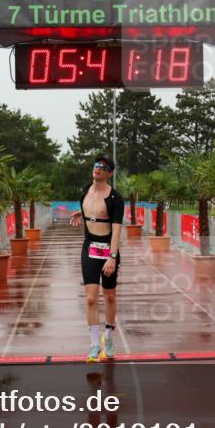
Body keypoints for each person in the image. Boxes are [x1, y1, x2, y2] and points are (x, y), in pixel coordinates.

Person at [70, 155, 125, 362]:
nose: (98, 169)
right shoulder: (85, 191)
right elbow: (91, 208)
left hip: (108, 249)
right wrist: (81, 214)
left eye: (103, 167)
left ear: (110, 173)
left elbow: (117, 230)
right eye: (96, 166)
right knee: (91, 298)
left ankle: (108, 337)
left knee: (109, 296)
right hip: (90, 248)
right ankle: (94, 343)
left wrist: (112, 257)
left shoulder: (115, 198)